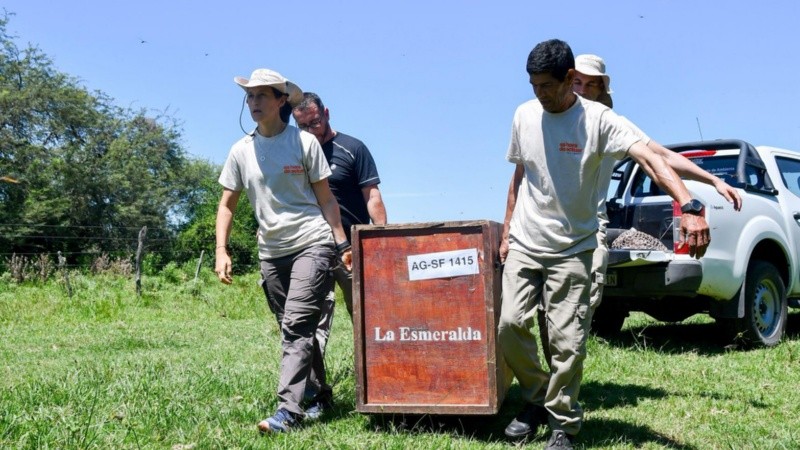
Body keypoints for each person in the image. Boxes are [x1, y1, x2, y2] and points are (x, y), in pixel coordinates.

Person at [497, 40, 710, 450]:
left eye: (546, 85)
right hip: (526, 240)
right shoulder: (524, 115)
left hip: (573, 246)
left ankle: (563, 423)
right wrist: (507, 230)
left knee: (567, 341)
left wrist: (690, 203)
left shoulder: (598, 120)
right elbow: (519, 177)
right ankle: (538, 395)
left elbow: (651, 158)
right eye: (533, 84)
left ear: (568, 82)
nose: (539, 93)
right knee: (509, 325)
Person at [214, 68, 352, 434]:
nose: (254, 102)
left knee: (296, 325)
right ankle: (321, 394)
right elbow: (227, 204)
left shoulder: (304, 143)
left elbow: (326, 198)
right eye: (249, 96)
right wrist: (221, 250)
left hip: (313, 241)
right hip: (271, 251)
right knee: (294, 329)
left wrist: (341, 243)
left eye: (261, 96)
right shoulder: (240, 151)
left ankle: (288, 411)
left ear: (280, 101)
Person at [571, 53, 741, 315]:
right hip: (546, 229)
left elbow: (661, 157)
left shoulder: (614, 124)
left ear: (601, 89)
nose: (582, 90)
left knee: (578, 311)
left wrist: (713, 179)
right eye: (577, 82)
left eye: (590, 83)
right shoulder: (549, 117)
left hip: (589, 229)